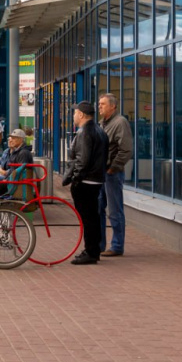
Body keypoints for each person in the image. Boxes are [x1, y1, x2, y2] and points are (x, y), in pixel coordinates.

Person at [63, 100, 108, 265]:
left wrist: (75, 179)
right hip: (96, 179)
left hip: (86, 181)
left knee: (88, 218)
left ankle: (90, 251)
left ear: (81, 114)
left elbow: (82, 160)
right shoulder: (99, 130)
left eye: (75, 113)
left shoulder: (85, 133)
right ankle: (93, 250)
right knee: (93, 217)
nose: (73, 115)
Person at [98, 92, 132, 257]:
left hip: (112, 174)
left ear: (113, 106)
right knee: (99, 208)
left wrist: (113, 168)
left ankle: (117, 246)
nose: (100, 107)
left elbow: (125, 149)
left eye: (103, 104)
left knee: (115, 210)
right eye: (99, 104)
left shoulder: (120, 122)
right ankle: (99, 245)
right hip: (101, 173)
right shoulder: (101, 123)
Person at [0, 129, 35, 198]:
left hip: (17, 182)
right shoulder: (16, 151)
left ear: (21, 139)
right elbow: (14, 169)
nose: (11, 140)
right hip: (12, 179)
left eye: (14, 138)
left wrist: (7, 180)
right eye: (11, 138)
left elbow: (20, 171)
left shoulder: (23, 153)